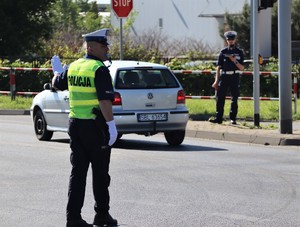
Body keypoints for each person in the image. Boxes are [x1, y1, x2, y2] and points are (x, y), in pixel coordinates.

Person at [51, 28, 118, 227]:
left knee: (78, 173)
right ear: (90, 47)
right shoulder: (98, 69)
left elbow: (56, 84)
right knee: (100, 173)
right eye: (103, 45)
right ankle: (102, 215)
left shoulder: (74, 66)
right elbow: (104, 101)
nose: (106, 48)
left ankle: (73, 218)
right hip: (95, 128)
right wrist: (112, 125)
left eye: (106, 45)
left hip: (75, 126)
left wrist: (57, 71)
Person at [209, 31, 245, 125]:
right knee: (220, 97)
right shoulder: (223, 52)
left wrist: (234, 61)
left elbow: (242, 67)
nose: (231, 41)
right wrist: (216, 81)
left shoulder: (239, 52)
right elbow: (218, 67)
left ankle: (233, 119)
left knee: (234, 98)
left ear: (235, 40)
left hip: (234, 76)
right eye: (229, 40)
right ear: (227, 40)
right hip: (224, 76)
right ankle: (218, 118)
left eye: (232, 39)